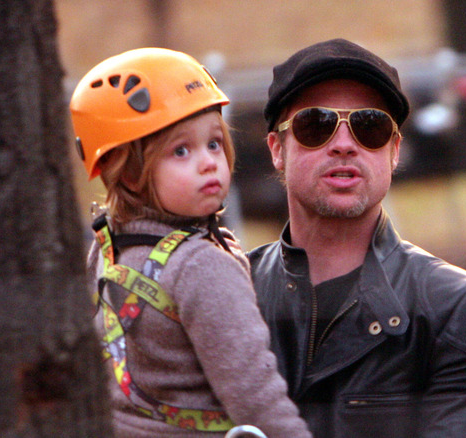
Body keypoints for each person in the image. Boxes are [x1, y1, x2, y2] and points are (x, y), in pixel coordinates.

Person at [248, 38, 466, 437]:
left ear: (394, 151)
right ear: (277, 149)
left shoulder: (459, 310)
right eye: (315, 125)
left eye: (369, 127)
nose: (344, 144)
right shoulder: (231, 293)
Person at [69, 48, 311, 438]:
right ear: (129, 173)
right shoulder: (201, 265)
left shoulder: (107, 244)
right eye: (181, 151)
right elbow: (254, 395)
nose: (207, 162)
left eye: (214, 143)